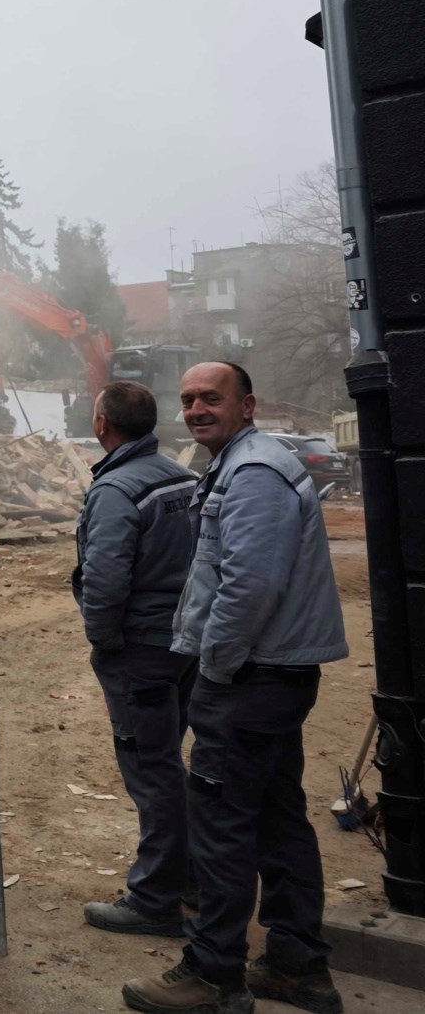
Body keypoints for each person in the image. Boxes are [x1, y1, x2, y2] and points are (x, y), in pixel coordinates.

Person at [121, 362, 349, 1014]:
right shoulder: (241, 464)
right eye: (188, 399)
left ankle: (214, 975)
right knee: (277, 818)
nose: (196, 409)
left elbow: (248, 587)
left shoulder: (253, 473)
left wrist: (215, 672)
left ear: (246, 405)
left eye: (211, 398)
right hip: (268, 676)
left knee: (220, 826)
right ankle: (297, 966)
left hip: (250, 677)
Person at [75, 379, 199, 938]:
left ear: (103, 423)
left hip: (141, 651)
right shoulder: (182, 477)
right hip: (186, 642)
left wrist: (104, 642)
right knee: (168, 761)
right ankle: (193, 878)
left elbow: (105, 579)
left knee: (152, 770)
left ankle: (155, 900)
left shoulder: (115, 489)